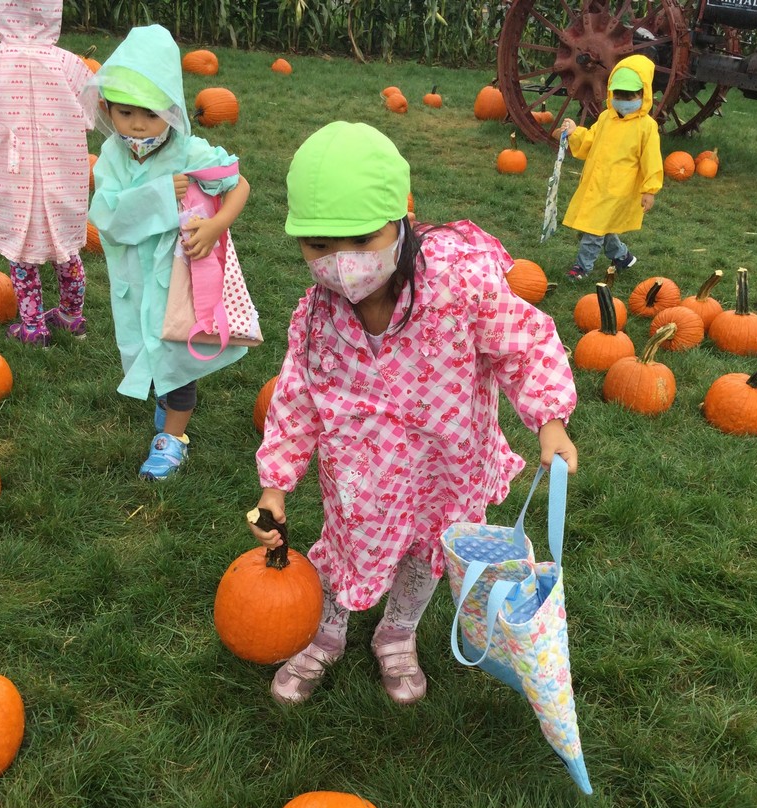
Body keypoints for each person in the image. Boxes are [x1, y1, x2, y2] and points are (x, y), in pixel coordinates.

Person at [248, 121, 579, 706]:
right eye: (318, 246)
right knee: (347, 546)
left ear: (400, 217)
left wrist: (549, 419)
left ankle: (397, 634)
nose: (340, 263)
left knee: (426, 551)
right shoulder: (318, 317)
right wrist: (275, 486)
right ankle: (325, 631)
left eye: (359, 240)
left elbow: (523, 343)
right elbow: (295, 399)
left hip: (443, 463)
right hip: (360, 475)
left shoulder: (459, 284)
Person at [89, 25, 251, 480]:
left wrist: (216, 225)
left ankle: (172, 439)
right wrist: (162, 195)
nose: (137, 124)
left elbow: (239, 185)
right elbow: (107, 215)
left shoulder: (189, 151)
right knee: (148, 347)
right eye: (125, 113)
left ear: (173, 111)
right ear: (108, 109)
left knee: (178, 355)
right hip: (135, 280)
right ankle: (167, 405)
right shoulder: (113, 156)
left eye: (151, 113)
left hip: (180, 280)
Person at [0, 0, 96, 347]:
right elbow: (92, 108)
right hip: (61, 168)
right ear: (52, 13)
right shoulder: (69, 63)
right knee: (67, 246)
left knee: (19, 245)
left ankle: (33, 326)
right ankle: (72, 316)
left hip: (10, 171)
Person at [556, 54, 663, 282]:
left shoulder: (646, 127)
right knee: (599, 224)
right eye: (618, 94)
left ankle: (582, 267)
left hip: (618, 189)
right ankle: (621, 256)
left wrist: (649, 190)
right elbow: (590, 141)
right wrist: (576, 131)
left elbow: (651, 159)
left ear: (643, 94)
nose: (622, 99)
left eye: (629, 95)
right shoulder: (606, 118)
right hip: (596, 183)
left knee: (593, 228)